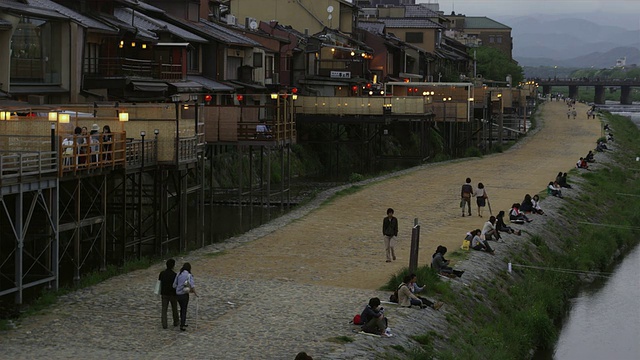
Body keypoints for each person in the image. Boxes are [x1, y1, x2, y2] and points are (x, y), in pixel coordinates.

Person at [173, 262, 197, 331]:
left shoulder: (178, 274)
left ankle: (182, 321)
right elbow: (192, 285)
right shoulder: (189, 275)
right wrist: (195, 293)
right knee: (184, 309)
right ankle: (182, 324)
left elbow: (174, 285)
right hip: (184, 294)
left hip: (178, 294)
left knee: (181, 308)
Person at [158, 259, 179, 329]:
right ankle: (176, 321)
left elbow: (159, 282)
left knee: (164, 309)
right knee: (174, 308)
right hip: (173, 294)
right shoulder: (174, 275)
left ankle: (164, 324)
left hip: (164, 293)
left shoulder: (162, 273)